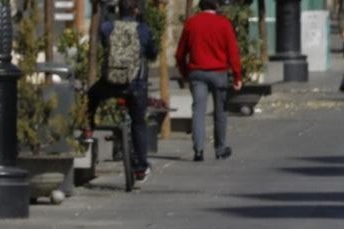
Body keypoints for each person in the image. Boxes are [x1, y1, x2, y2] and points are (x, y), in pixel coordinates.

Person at [86, 0, 160, 182]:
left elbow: (104, 43)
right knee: (139, 123)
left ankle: (88, 129)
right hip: (136, 85)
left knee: (91, 96)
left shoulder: (108, 27)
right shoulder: (142, 30)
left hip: (111, 83)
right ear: (135, 10)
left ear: (119, 10)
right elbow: (153, 52)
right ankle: (141, 168)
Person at [175, 0, 242, 162]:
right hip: (219, 73)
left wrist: (186, 73)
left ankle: (198, 150)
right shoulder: (224, 23)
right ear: (216, 6)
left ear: (200, 6)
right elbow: (233, 52)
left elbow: (179, 54)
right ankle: (220, 148)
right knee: (220, 112)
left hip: (197, 73)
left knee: (198, 111)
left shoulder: (192, 23)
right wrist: (237, 76)